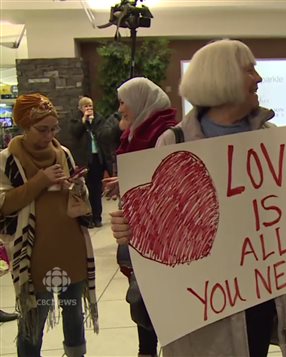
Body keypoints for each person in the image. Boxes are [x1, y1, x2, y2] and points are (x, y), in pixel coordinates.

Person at [110, 39, 286, 357]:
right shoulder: (174, 141)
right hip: (201, 302)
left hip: (259, 294)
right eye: (250, 70)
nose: (258, 79)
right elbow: (154, 224)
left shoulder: (272, 139)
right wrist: (128, 228)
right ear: (222, 76)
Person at [0, 93, 98, 357]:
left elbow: (78, 199)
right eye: (42, 129)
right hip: (33, 252)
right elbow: (3, 204)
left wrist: (77, 186)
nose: (49, 135)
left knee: (73, 309)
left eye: (53, 128)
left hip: (71, 244)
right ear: (24, 126)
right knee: (35, 312)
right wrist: (39, 181)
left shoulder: (62, 153)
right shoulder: (7, 159)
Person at [104, 77, 178, 357]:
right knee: (143, 296)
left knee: (159, 299)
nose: (120, 107)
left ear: (141, 102)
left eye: (125, 101)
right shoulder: (135, 132)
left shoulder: (165, 134)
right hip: (138, 231)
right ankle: (146, 350)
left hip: (163, 236)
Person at [68, 96, 120, 228]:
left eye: (90, 106)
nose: (89, 109)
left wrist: (92, 123)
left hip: (98, 158)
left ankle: (97, 217)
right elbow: (75, 133)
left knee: (96, 189)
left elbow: (104, 135)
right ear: (80, 108)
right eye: (85, 106)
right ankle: (88, 217)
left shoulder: (99, 119)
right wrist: (84, 121)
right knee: (87, 190)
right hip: (85, 159)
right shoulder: (76, 120)